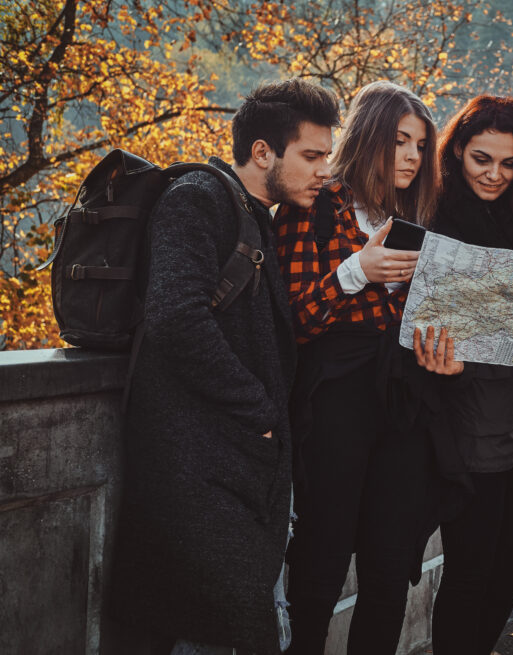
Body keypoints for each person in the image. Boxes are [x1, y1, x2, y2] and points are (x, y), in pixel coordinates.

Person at [109, 79, 341, 654]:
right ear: (263, 152)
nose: (323, 172)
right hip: (195, 468)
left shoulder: (253, 213)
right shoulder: (198, 197)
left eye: (326, 158)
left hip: (227, 467)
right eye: (311, 156)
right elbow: (175, 318)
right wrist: (257, 410)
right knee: (205, 627)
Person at [274, 80, 450, 655]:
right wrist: (359, 270)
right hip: (335, 403)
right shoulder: (315, 205)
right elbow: (291, 321)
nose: (411, 156)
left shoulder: (414, 219)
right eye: (400, 141)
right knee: (321, 556)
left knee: (390, 561)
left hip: (403, 405)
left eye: (421, 146)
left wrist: (435, 349)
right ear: (371, 135)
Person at [427, 95, 513, 655]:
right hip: (461, 419)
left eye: (508, 164)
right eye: (482, 159)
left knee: (511, 569)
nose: (494, 175)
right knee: (470, 570)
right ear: (457, 149)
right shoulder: (434, 214)